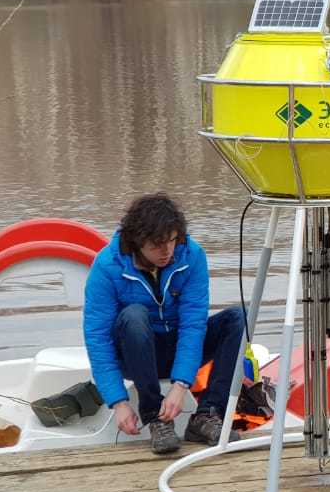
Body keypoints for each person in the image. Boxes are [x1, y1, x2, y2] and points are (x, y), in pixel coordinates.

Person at [82, 193, 246, 455]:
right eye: (157, 244)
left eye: (172, 240)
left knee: (239, 319)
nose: (167, 251)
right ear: (137, 241)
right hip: (134, 351)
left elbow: (193, 325)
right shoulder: (106, 266)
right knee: (134, 315)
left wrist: (181, 385)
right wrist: (118, 402)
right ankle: (154, 417)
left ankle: (207, 415)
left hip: (175, 346)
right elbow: (98, 338)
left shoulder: (191, 256)